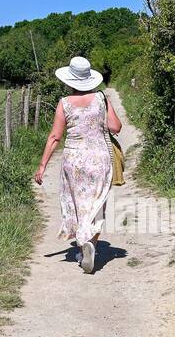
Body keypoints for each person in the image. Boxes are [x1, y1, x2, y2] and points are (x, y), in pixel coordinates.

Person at [34, 56, 122, 274]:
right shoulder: (102, 99)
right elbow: (116, 127)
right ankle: (91, 242)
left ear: (70, 80)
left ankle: (83, 248)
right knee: (96, 203)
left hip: (74, 160)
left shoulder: (64, 104)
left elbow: (55, 136)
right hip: (100, 158)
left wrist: (42, 166)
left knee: (78, 203)